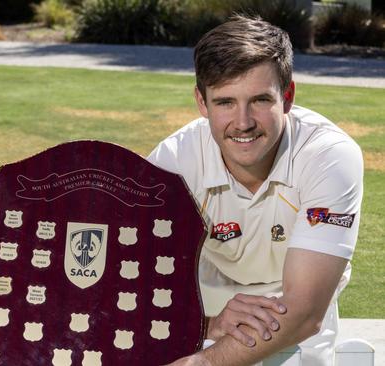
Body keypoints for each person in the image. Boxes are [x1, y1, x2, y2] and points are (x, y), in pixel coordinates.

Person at [147, 16, 363, 366]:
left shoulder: (328, 156)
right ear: (202, 102)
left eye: (260, 100)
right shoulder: (173, 162)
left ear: (288, 96)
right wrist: (209, 323)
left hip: (297, 310)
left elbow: (306, 313)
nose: (243, 122)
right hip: (205, 306)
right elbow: (131, 279)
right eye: (225, 102)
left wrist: (199, 364)